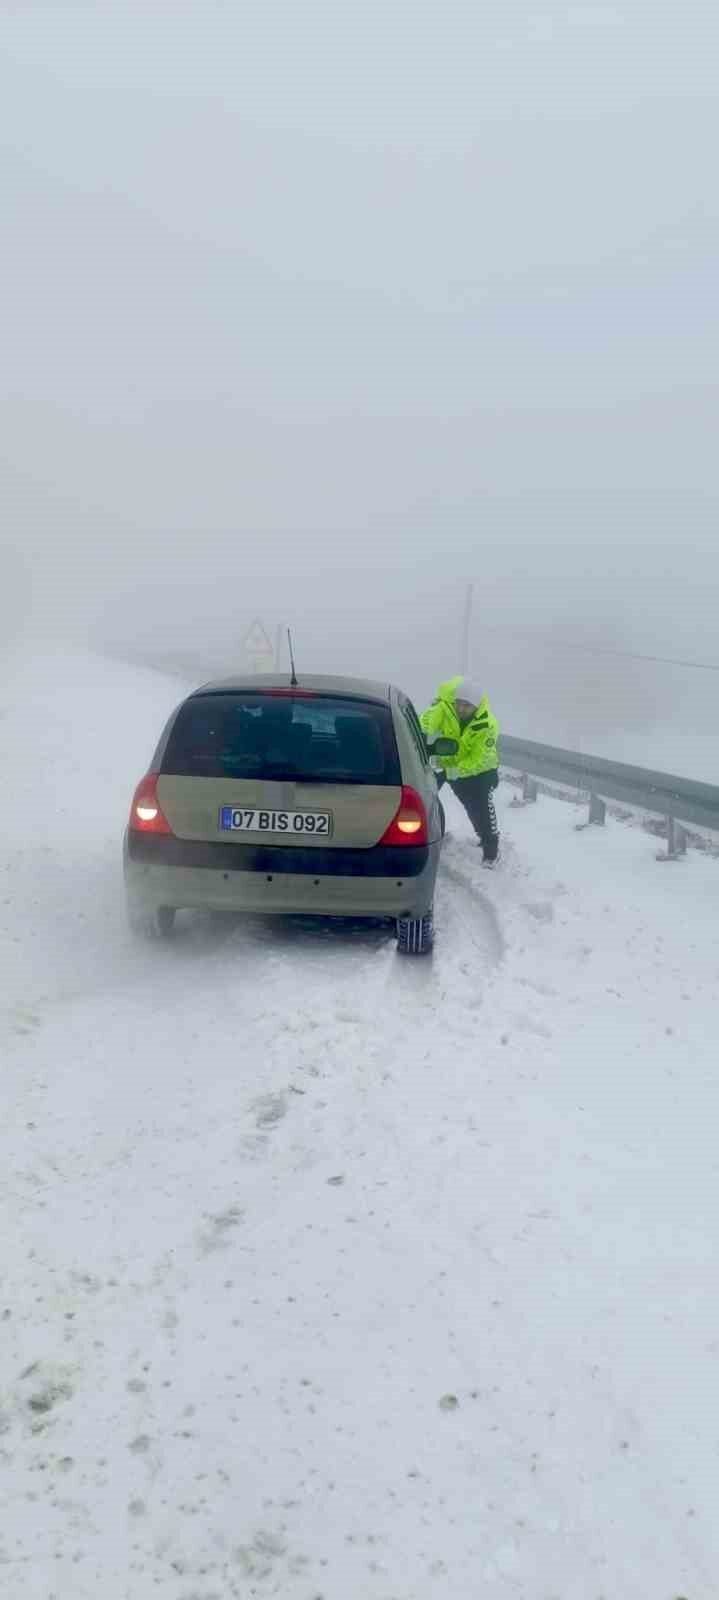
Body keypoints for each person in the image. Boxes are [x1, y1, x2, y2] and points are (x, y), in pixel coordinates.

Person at [420, 676, 500, 863]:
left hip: (480, 772)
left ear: (476, 706)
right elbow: (424, 726)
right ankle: (419, 836)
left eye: (467, 705)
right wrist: (433, 712)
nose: (461, 709)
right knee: (423, 794)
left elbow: (478, 759)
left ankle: (491, 850)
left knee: (479, 808)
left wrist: (453, 771)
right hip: (447, 764)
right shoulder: (444, 709)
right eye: (459, 703)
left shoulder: (487, 725)